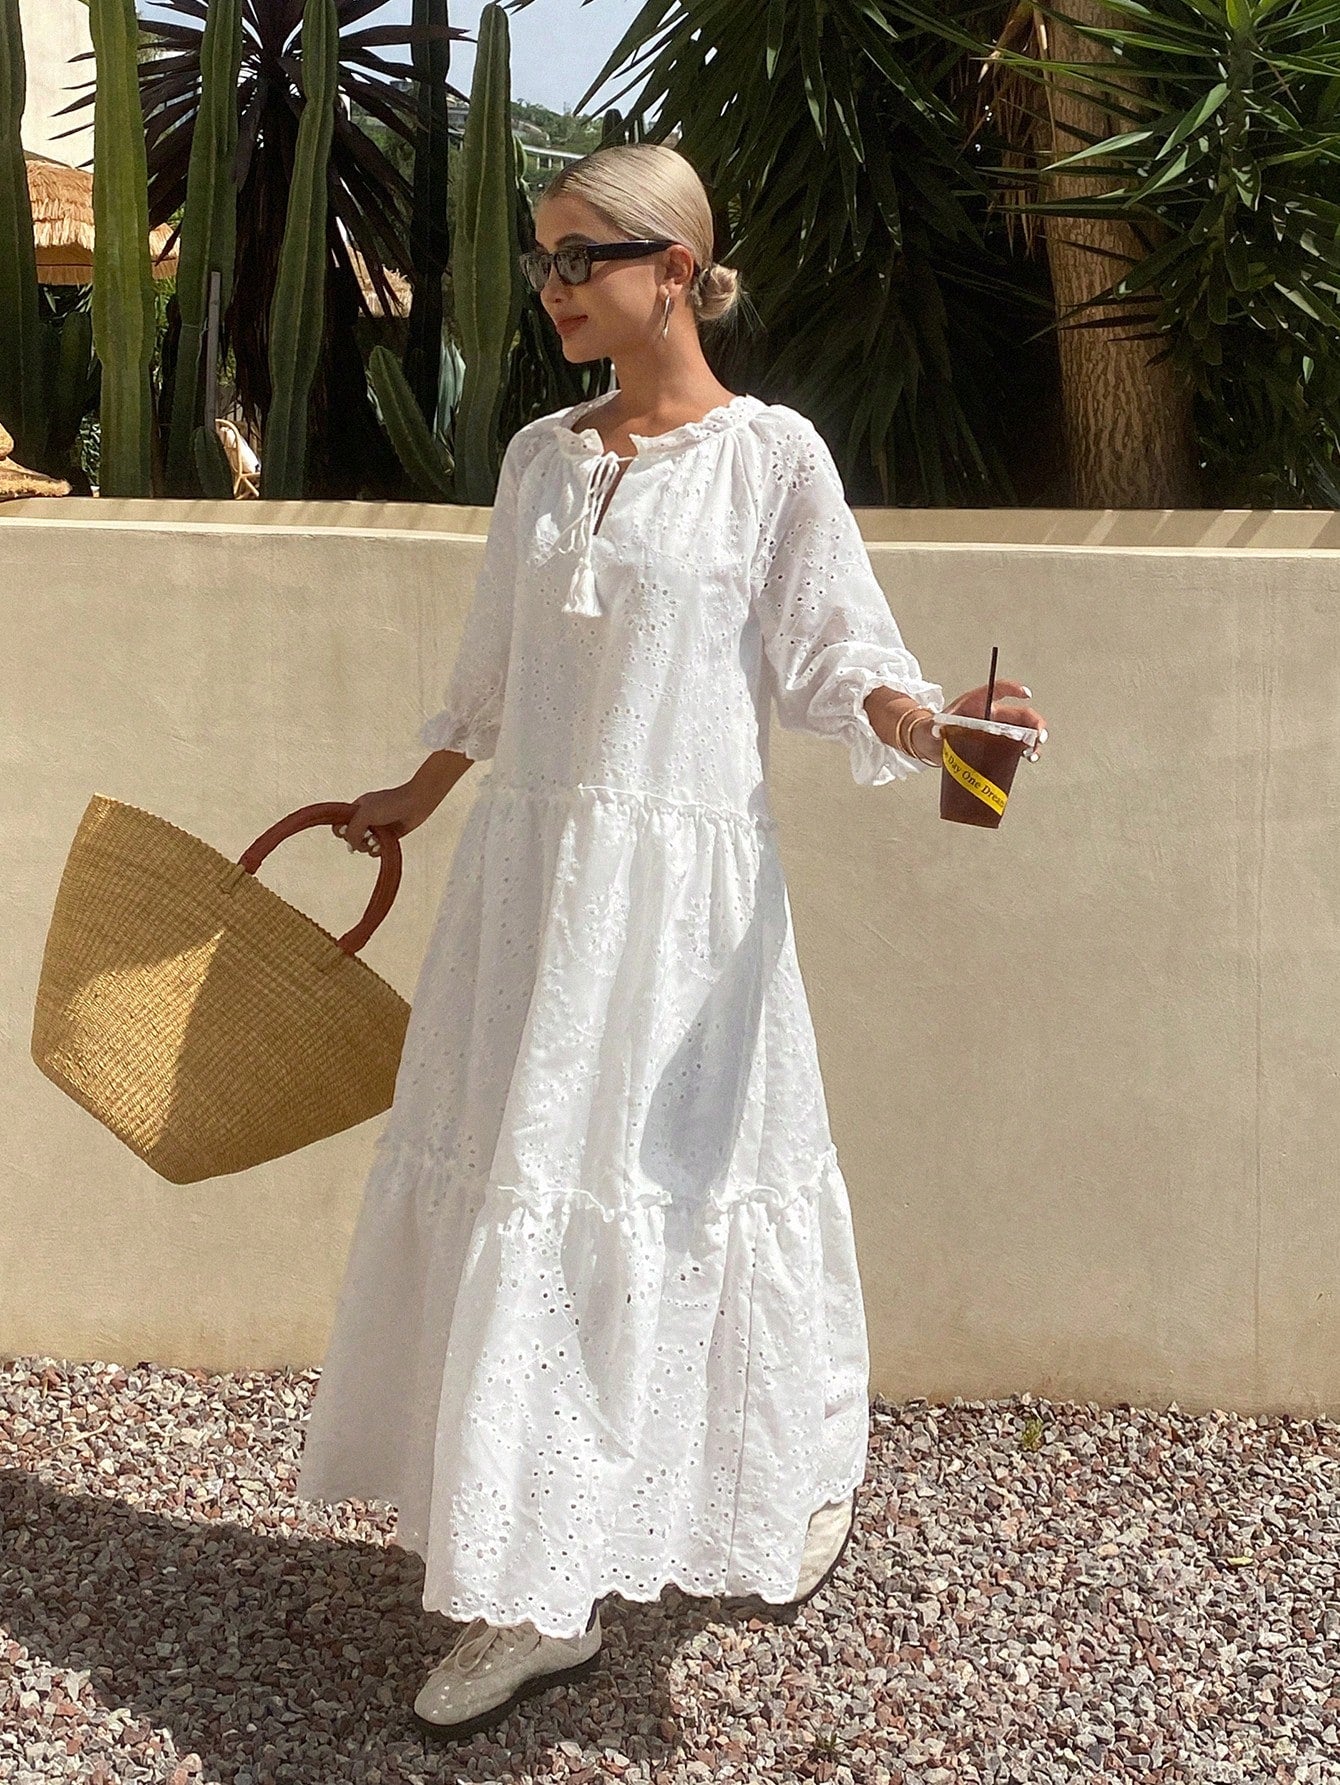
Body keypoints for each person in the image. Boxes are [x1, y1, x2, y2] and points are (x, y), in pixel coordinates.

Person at [294, 141, 1049, 1744]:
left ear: (679, 272)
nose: (554, 285)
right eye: (544, 257)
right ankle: (536, 1586)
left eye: (584, 256)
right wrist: (409, 798)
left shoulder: (769, 460)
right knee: (529, 1197)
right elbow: (494, 681)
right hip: (533, 893)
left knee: (683, 1199)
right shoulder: (537, 459)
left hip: (685, 917)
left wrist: (938, 728)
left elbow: (837, 662)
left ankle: (772, 1479)